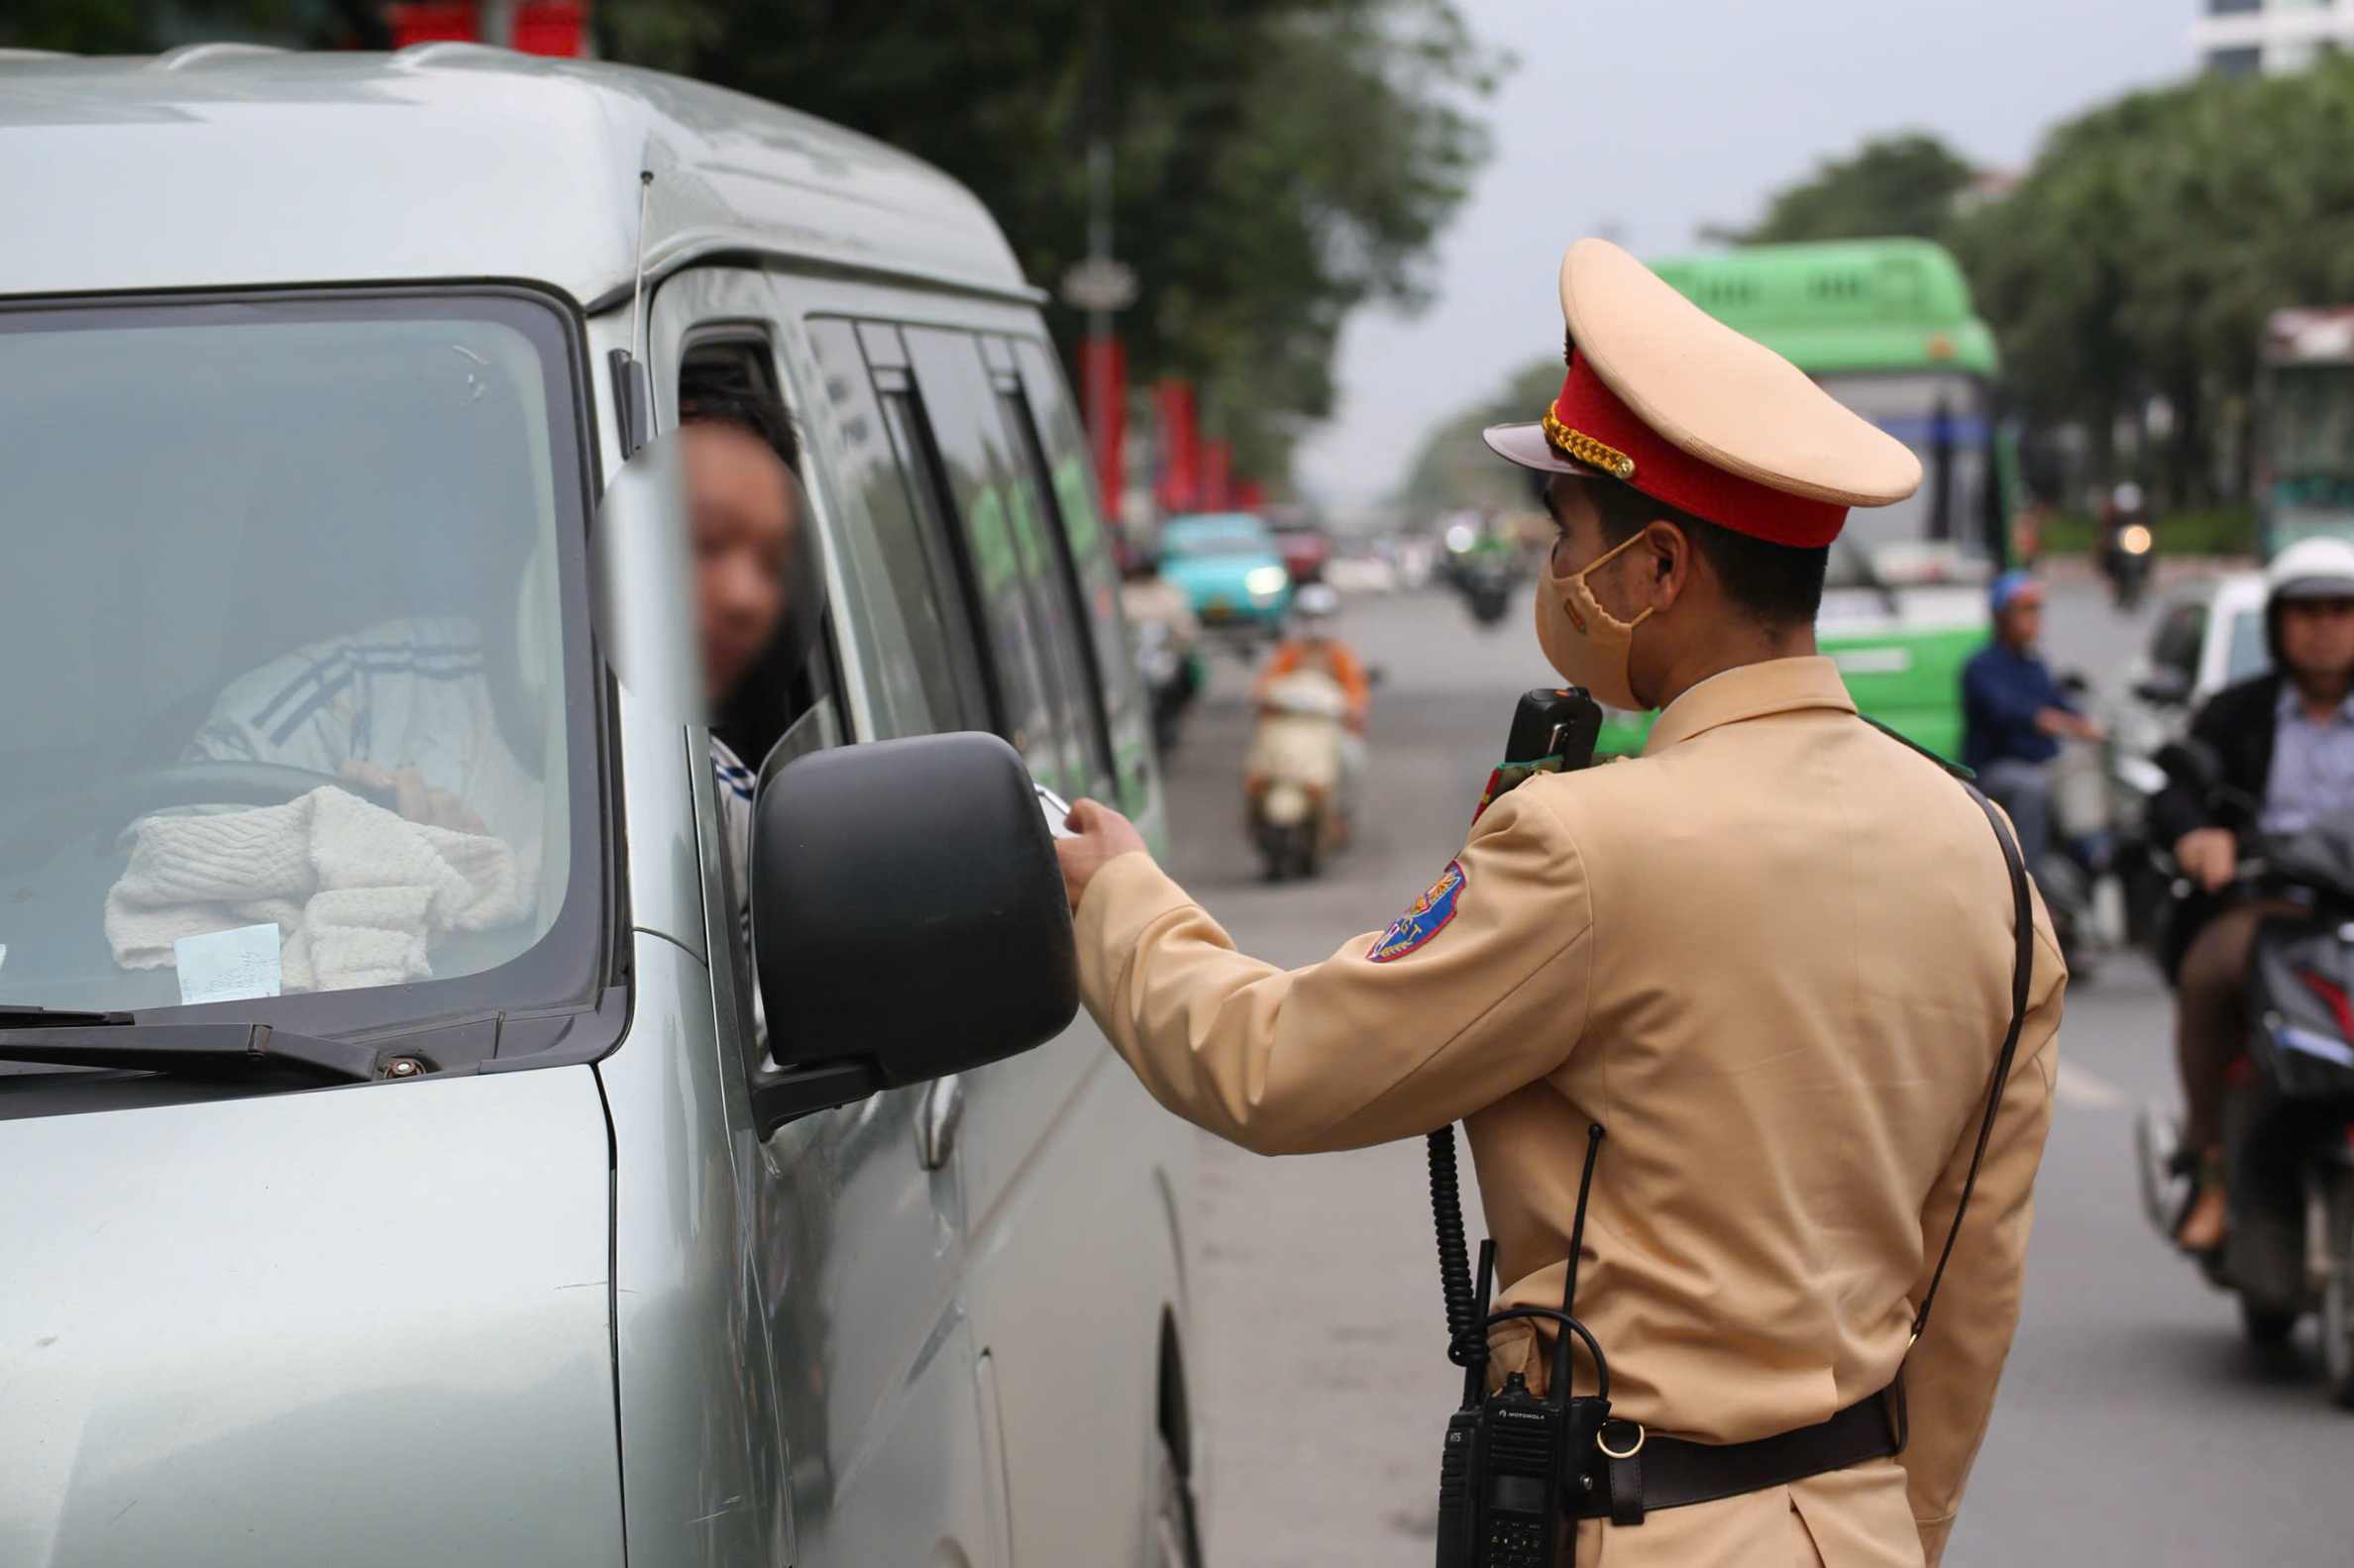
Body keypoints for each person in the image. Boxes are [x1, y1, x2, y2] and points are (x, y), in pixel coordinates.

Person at [1051, 240, 2063, 1567]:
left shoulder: (1588, 841)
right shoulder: (1984, 852)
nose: (1551, 571)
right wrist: (1883, 1523)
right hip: (1853, 1528)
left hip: (1637, 1529)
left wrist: (1117, 897)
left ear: (1656, 571)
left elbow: (1276, 1065)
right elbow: (1971, 1281)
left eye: (1565, 537)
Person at [168, 385, 811, 979]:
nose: (738, 593)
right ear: (561, 507)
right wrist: (364, 889)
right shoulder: (328, 706)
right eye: (699, 533)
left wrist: (457, 900)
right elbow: (161, 973)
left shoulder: (723, 819)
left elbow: (710, 1065)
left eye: (763, 558)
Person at [2146, 536, 2354, 1253]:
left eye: (2341, 609)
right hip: (2270, 909)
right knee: (2210, 972)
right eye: (2306, 611)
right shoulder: (2235, 711)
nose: (2324, 625)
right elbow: (2172, 790)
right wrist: (2198, 832)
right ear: (2278, 623)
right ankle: (2212, 1171)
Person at [1960, 571, 2104, 869]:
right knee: (2033, 788)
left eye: (2037, 609)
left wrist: (2085, 723)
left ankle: (2092, 853)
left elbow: (2059, 702)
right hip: (1997, 768)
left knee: (2087, 768)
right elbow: (2005, 710)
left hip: (2042, 762)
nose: (2035, 617)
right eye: (2026, 609)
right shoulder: (1981, 666)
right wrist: (2045, 720)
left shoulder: (2035, 665)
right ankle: (2027, 880)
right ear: (2002, 616)